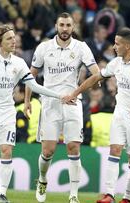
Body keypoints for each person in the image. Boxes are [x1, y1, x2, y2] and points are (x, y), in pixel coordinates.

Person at [0, 24, 67, 203]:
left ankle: (2, 194)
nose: (14, 40)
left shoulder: (18, 63)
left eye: (14, 37)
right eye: (9, 38)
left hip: (7, 114)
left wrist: (60, 95)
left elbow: (33, 85)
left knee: (6, 150)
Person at [64, 27, 130, 203]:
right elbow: (96, 77)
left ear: (127, 46)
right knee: (114, 150)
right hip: (119, 113)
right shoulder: (116, 63)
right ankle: (109, 195)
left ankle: (127, 198)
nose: (114, 46)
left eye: (117, 43)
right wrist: (75, 93)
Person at [28, 12, 100, 203]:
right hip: (50, 103)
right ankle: (42, 179)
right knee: (48, 150)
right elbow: (31, 76)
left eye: (68, 25)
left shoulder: (81, 47)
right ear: (56, 26)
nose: (65, 29)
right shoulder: (44, 48)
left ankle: (73, 195)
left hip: (73, 102)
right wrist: (27, 101)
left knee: (74, 147)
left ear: (73, 27)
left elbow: (96, 73)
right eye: (62, 25)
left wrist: (85, 86)